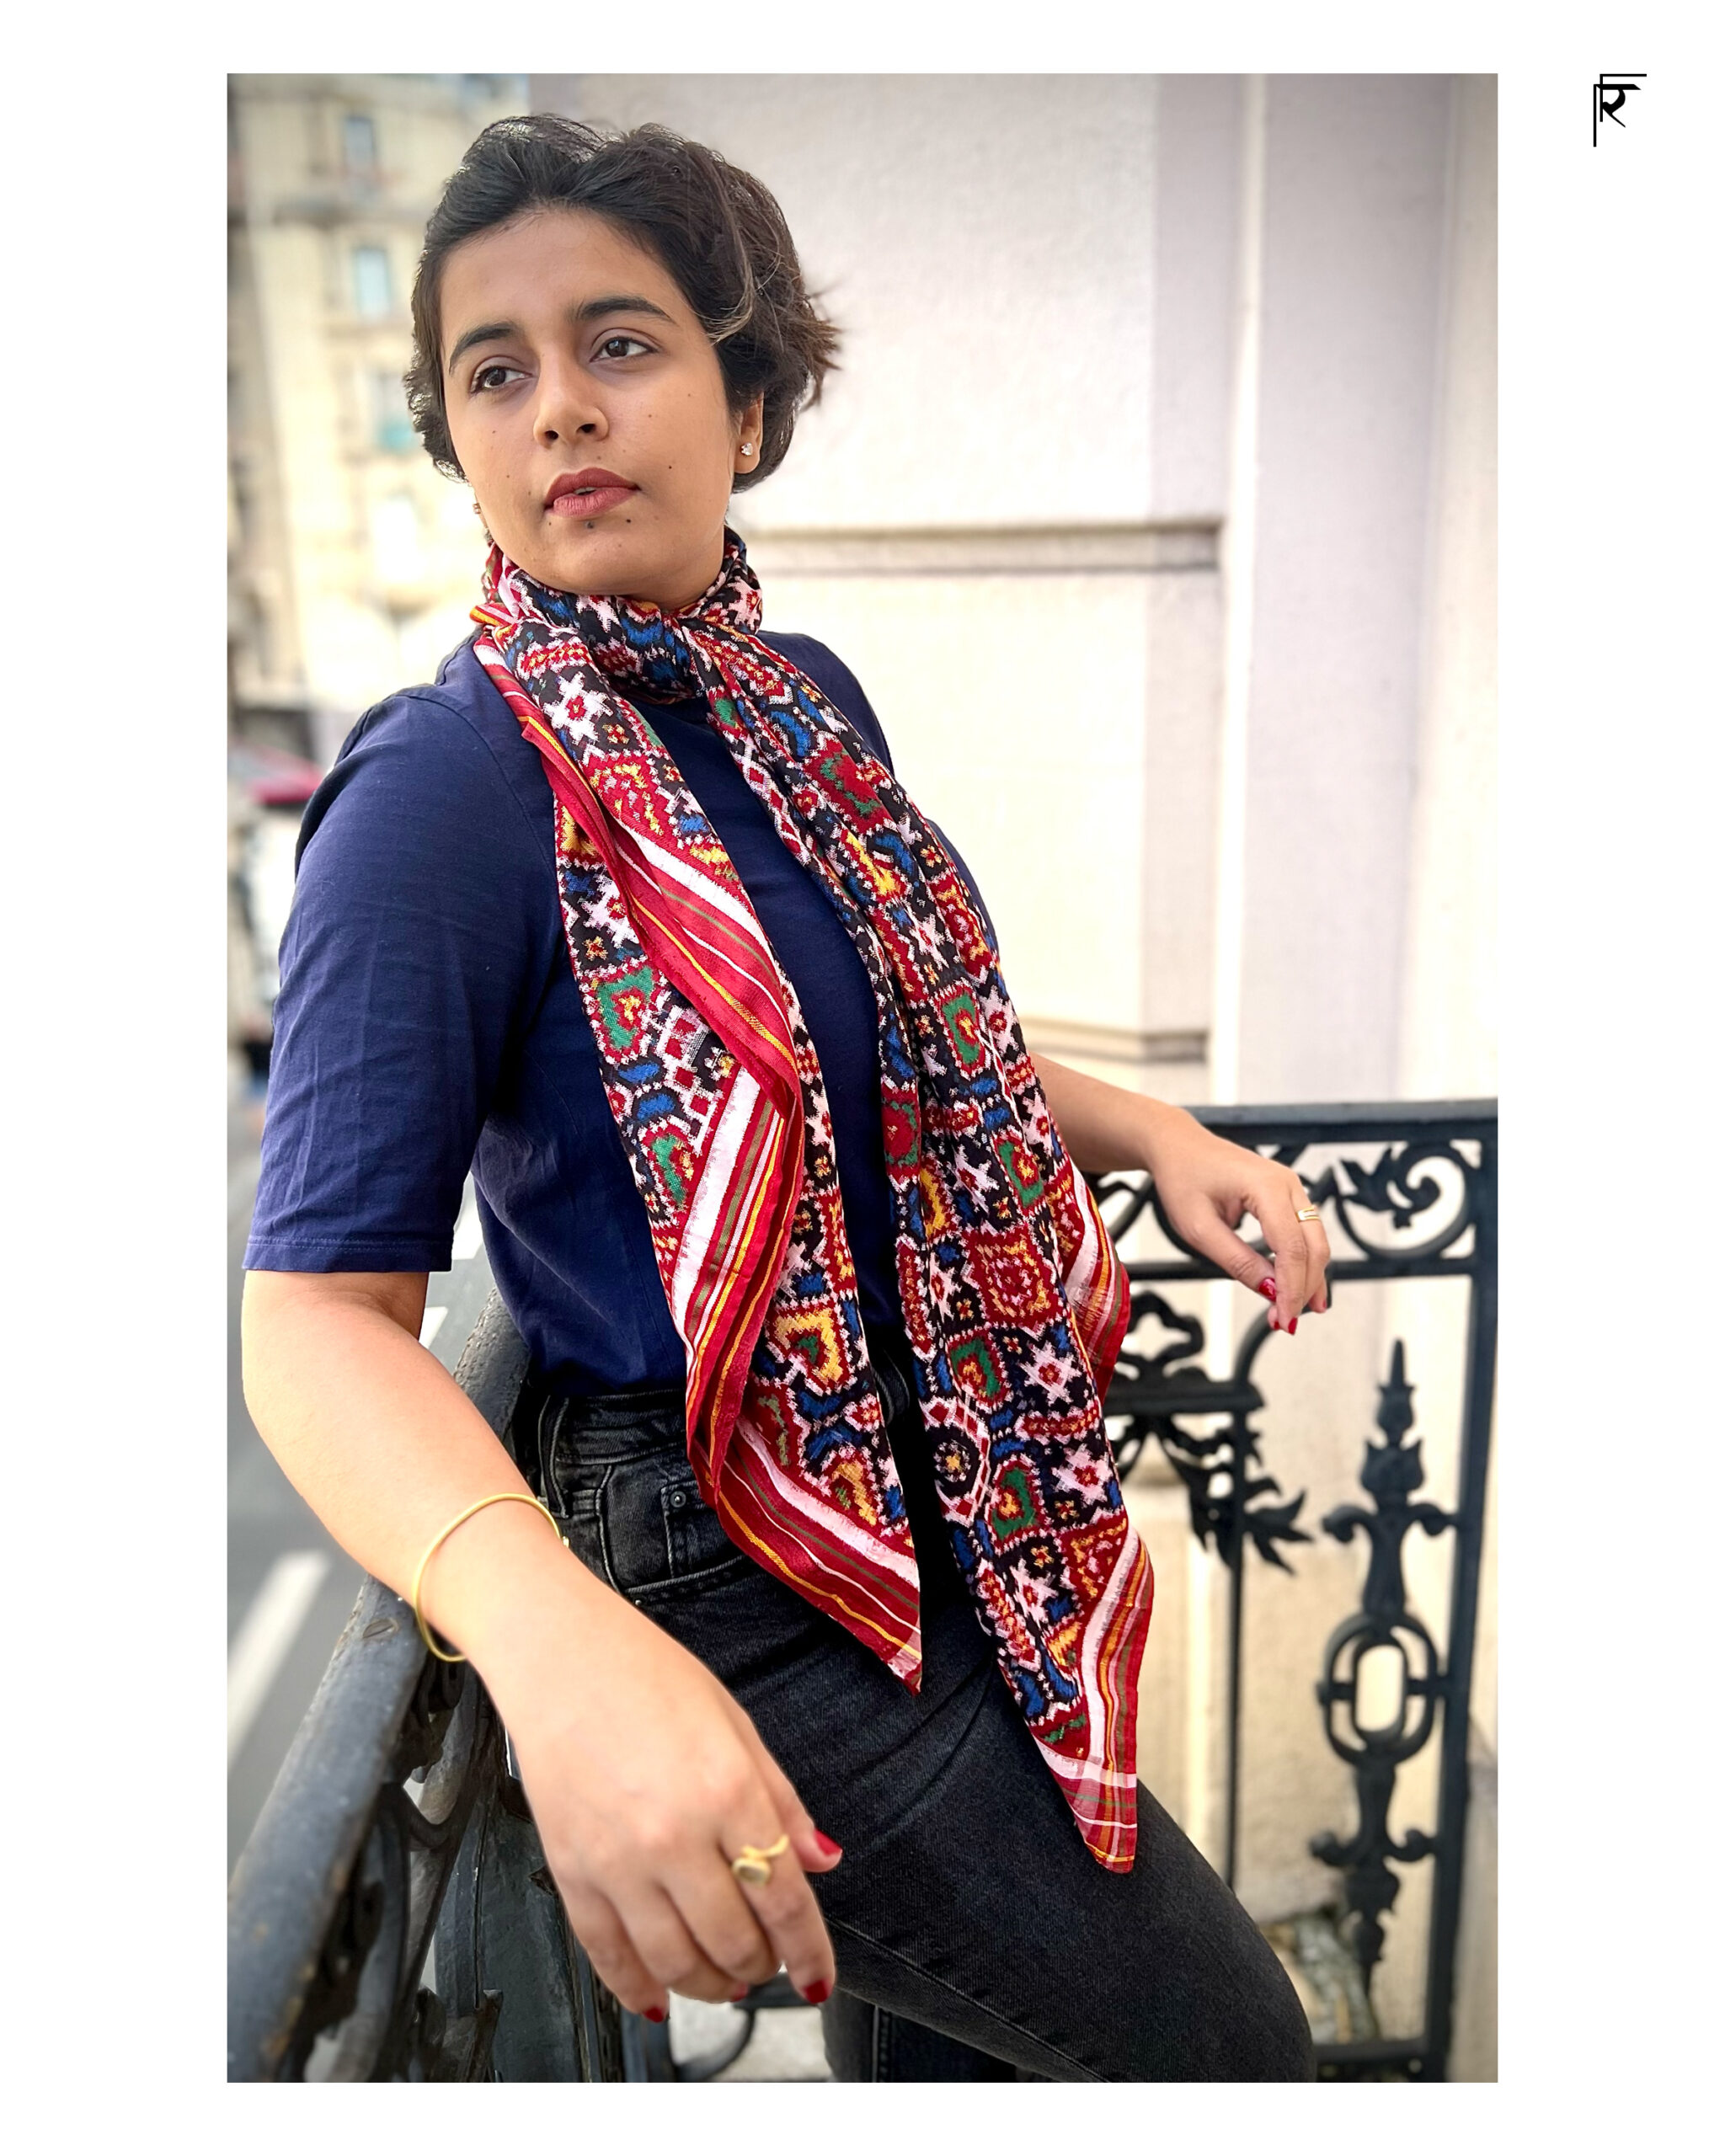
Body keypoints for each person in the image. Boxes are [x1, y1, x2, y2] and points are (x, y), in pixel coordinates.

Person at [242, 114, 1328, 2083]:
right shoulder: (443, 791)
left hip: (958, 1484)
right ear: (460, 444)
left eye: (622, 341)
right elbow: (314, 1325)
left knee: (959, 2063)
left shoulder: (796, 699)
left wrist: (1151, 1133)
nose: (560, 406)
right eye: (496, 371)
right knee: (1228, 2047)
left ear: (749, 401)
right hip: (721, 1561)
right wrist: (557, 1646)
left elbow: (907, 1057)